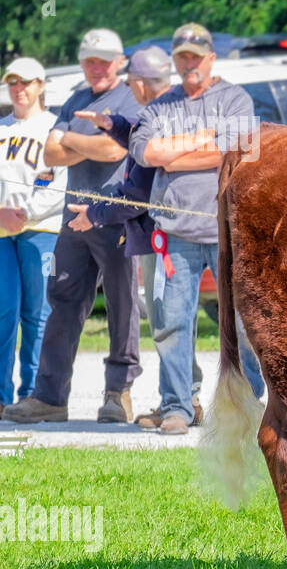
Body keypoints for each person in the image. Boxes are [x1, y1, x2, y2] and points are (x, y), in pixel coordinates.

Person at [4, 29, 143, 425]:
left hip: (116, 215)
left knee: (123, 306)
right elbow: (49, 152)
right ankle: (50, 396)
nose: (95, 67)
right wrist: (82, 141)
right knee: (61, 302)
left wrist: (71, 140)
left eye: (103, 60)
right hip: (73, 219)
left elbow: (115, 148)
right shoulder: (77, 98)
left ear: (119, 62)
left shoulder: (130, 98)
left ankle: (118, 394)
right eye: (89, 60)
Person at [67, 46, 210, 427]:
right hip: (184, 231)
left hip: (165, 235)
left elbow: (135, 197)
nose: (129, 88)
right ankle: (185, 399)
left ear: (142, 84)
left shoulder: (157, 118)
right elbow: (141, 135)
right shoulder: (173, 110)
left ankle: (180, 403)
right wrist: (114, 125)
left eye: (131, 82)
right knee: (177, 320)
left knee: (167, 321)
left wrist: (93, 215)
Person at [130, 23, 261, 434]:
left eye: (195, 56)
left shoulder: (235, 98)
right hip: (173, 232)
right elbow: (145, 152)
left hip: (229, 231)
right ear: (175, 60)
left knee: (243, 322)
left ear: (211, 58)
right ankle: (177, 406)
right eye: (182, 56)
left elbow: (239, 147)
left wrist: (174, 155)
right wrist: (202, 143)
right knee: (171, 323)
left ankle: (245, 401)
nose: (189, 63)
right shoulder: (160, 106)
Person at [0, 58, 61, 415]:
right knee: (4, 311)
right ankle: (2, 395)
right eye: (12, 83)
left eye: (26, 82)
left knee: (38, 313)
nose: (19, 89)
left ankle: (35, 392)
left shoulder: (53, 128)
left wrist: (25, 215)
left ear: (40, 85)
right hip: (2, 231)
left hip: (41, 229)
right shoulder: (1, 128)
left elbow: (54, 180)